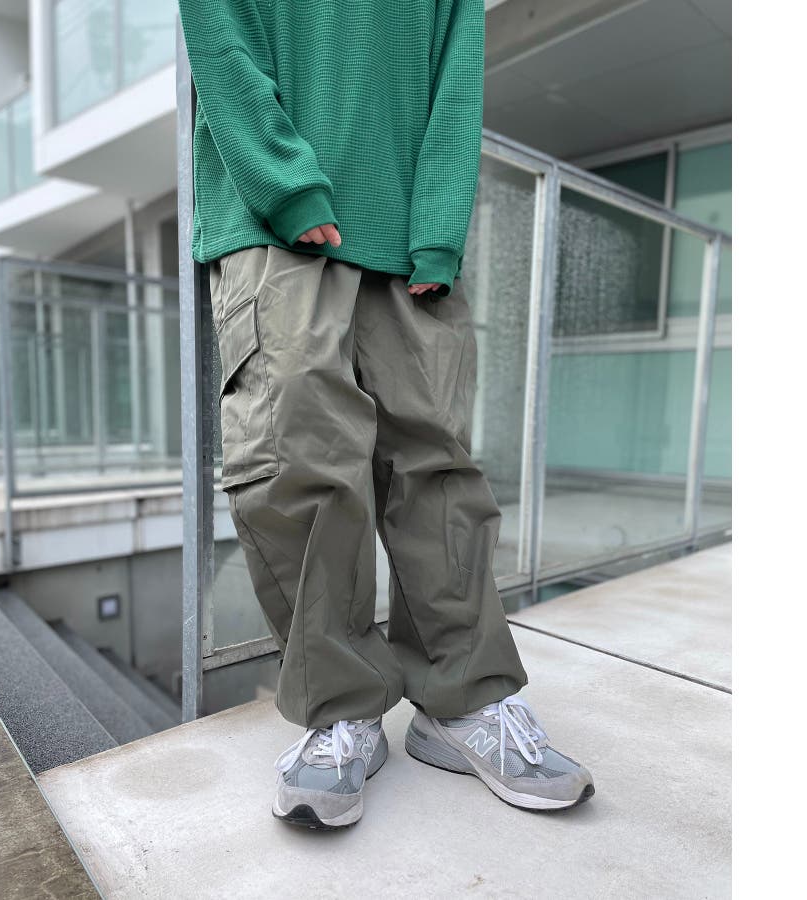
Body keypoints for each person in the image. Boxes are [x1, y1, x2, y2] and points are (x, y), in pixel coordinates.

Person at [178, 0, 594, 829]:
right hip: (271, 221)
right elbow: (219, 35)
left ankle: (462, 700)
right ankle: (343, 712)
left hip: (406, 230)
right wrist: (284, 182)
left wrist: (439, 225)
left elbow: (455, 71)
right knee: (300, 462)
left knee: (440, 469)